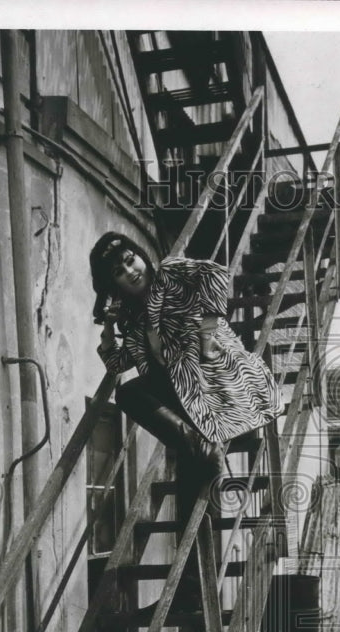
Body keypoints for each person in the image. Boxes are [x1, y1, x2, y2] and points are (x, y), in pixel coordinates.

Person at [90, 231, 283, 611]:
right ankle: (190, 590)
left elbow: (215, 274)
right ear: (110, 283)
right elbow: (118, 366)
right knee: (131, 396)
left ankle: (189, 591)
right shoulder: (131, 316)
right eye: (118, 271)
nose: (130, 271)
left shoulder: (172, 275)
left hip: (212, 381)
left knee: (193, 481)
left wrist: (208, 333)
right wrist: (109, 327)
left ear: (142, 257)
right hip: (183, 397)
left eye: (131, 260)